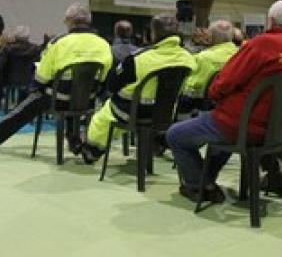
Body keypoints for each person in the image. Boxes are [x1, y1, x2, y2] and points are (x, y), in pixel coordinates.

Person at [166, 0, 282, 203]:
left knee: (175, 135)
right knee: (218, 136)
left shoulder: (262, 43)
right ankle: (207, 182)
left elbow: (224, 82)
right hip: (273, 131)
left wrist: (216, 96)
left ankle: (198, 185)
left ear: (270, 21)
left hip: (239, 124)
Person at [0, 3, 113, 151]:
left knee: (29, 103)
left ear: (69, 21)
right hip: (88, 101)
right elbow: (104, 77)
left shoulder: (58, 43)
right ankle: (74, 140)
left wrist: (35, 88)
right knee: (74, 90)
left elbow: (42, 77)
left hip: (58, 99)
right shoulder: (103, 44)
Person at [81, 14, 197, 162]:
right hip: (166, 115)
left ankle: (93, 150)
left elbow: (113, 85)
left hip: (132, 114)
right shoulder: (188, 58)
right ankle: (157, 142)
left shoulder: (137, 59)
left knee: (103, 115)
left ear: (153, 33)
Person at [176, 20, 238, 120]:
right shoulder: (240, 54)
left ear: (210, 36)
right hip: (230, 108)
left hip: (206, 108)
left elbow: (192, 89)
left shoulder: (203, 58)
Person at [0, 25, 41, 111]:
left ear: (15, 36)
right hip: (29, 79)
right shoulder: (36, 49)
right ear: (28, 37)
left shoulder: (8, 48)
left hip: (10, 79)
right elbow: (39, 65)